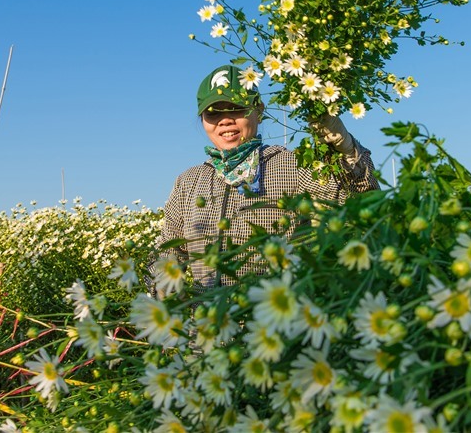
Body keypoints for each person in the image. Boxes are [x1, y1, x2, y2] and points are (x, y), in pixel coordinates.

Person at [155, 64, 379, 290]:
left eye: (235, 109)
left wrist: (348, 150)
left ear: (259, 111)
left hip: (276, 316)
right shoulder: (189, 182)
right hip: (206, 322)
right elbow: (168, 250)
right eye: (213, 113)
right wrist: (163, 286)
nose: (225, 120)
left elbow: (356, 205)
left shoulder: (293, 165)